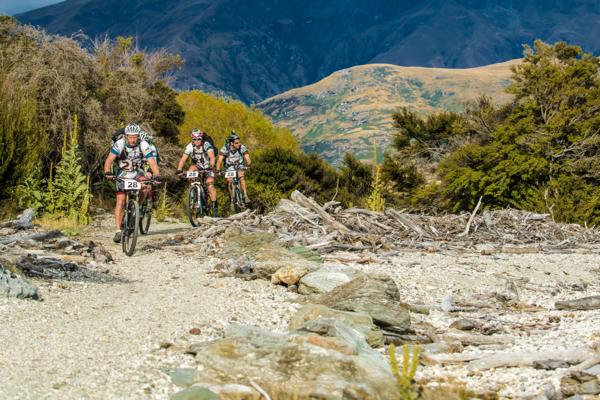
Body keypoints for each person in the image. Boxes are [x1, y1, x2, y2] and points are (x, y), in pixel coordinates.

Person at [103, 123, 161, 243]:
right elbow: (109, 159)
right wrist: (107, 171)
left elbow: (152, 161)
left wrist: (156, 175)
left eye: (135, 137)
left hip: (136, 172)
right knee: (121, 200)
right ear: (126, 136)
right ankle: (118, 231)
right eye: (130, 137)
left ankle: (137, 207)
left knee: (145, 186)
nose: (133, 139)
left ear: (138, 136)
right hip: (122, 173)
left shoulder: (143, 144)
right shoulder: (120, 143)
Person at [176, 129, 218, 217]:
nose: (197, 141)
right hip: (198, 166)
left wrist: (211, 166)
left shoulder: (206, 145)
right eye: (194, 139)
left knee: (210, 184)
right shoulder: (190, 146)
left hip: (208, 166)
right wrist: (179, 169)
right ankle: (193, 194)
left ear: (201, 139)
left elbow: (212, 157)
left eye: (199, 139)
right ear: (192, 140)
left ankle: (214, 206)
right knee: (191, 169)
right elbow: (183, 159)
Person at [216, 132, 251, 206]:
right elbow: (219, 160)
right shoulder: (225, 148)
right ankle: (232, 199)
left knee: (241, 176)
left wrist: (248, 164)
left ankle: (245, 196)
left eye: (239, 142)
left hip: (239, 165)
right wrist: (218, 170)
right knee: (230, 181)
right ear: (231, 143)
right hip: (229, 167)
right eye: (236, 143)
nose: (239, 144)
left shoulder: (242, 147)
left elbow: (247, 158)